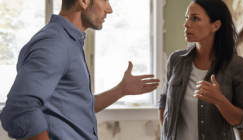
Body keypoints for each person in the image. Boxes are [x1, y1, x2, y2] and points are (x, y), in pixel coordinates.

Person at [0, 0, 160, 139]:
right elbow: (20, 108)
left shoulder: (69, 42)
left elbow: (74, 108)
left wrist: (121, 90)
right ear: (83, 1)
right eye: (104, 0)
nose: (109, 9)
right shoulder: (55, 43)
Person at [158, 0, 243, 139]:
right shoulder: (175, 60)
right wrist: (166, 134)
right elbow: (164, 98)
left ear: (215, 25)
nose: (186, 24)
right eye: (187, 18)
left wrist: (220, 100)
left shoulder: (237, 66)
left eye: (195, 18)